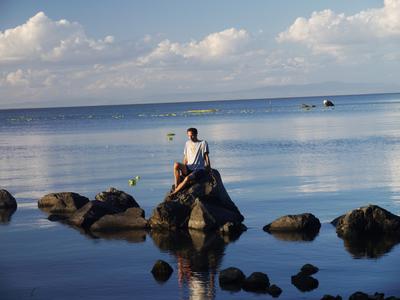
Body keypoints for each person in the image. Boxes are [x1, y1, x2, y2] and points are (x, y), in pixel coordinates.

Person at [169, 127, 211, 198]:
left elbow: (206, 156)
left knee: (187, 178)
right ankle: (177, 186)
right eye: (189, 136)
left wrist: (208, 167)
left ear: (196, 134)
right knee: (176, 164)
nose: (190, 137)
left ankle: (174, 193)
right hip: (188, 167)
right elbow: (186, 157)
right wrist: (183, 170)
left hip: (199, 169)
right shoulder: (187, 143)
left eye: (192, 135)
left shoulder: (203, 143)